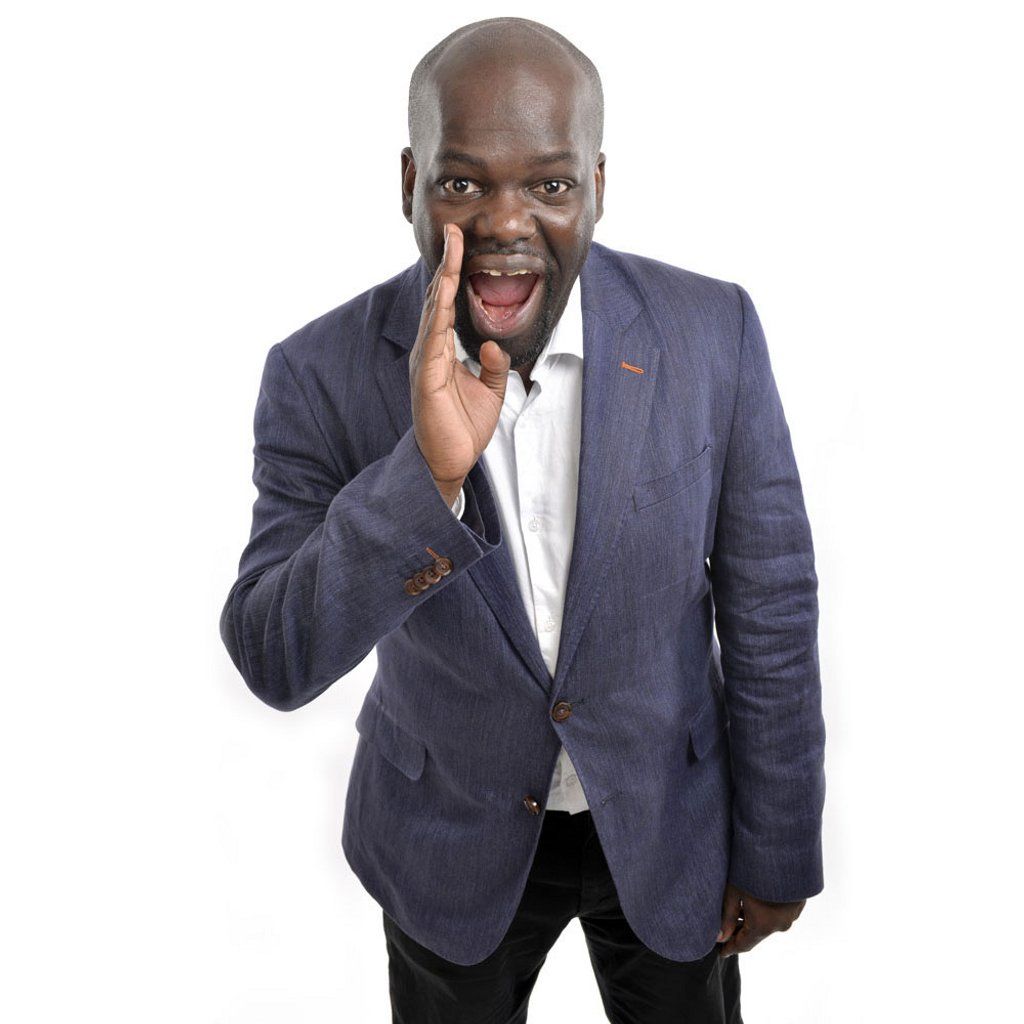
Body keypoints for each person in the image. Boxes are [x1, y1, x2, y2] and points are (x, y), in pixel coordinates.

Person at [220, 16, 826, 1023]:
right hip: (443, 838)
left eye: (549, 184)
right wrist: (424, 480)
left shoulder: (712, 331)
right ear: (409, 181)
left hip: (671, 828)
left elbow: (771, 604)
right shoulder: (318, 372)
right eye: (462, 182)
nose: (506, 222)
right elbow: (273, 656)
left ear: (598, 184)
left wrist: (778, 845)